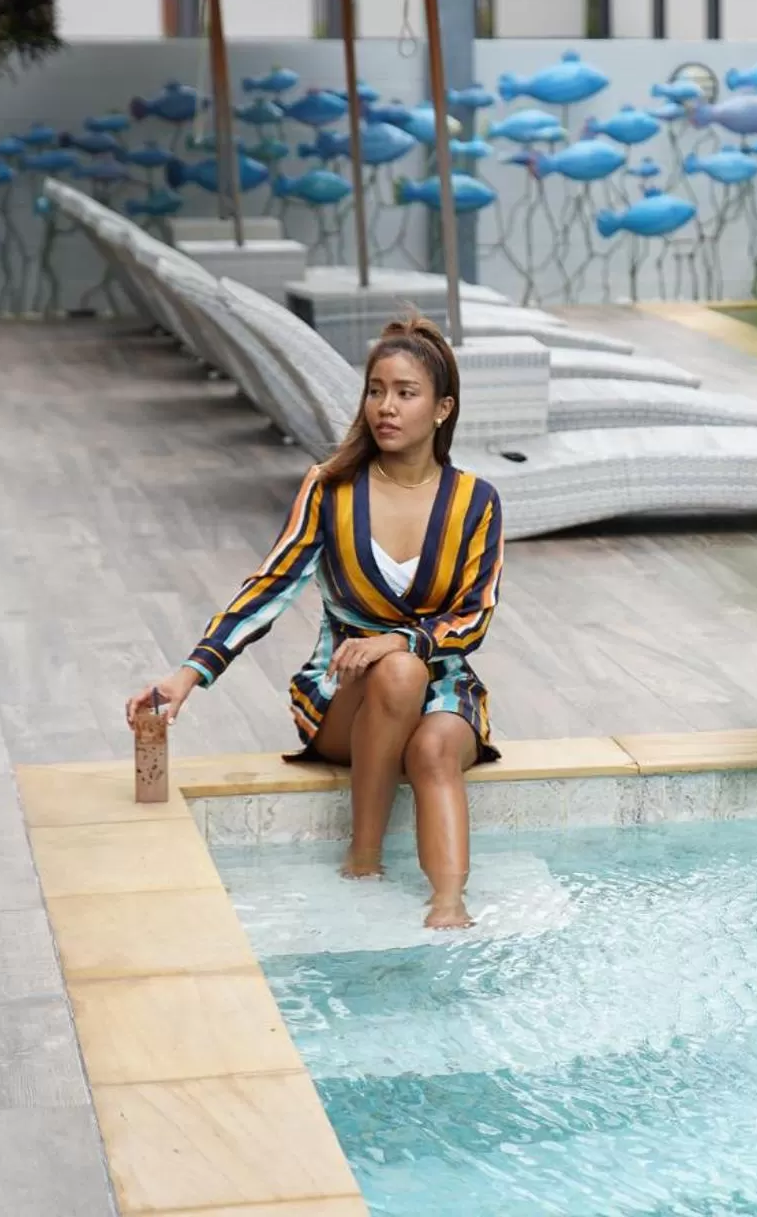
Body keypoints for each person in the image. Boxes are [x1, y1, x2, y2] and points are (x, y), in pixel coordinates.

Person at [127, 316, 503, 929]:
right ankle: (363, 858)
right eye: (376, 390)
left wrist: (396, 640)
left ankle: (449, 911)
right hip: (340, 697)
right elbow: (269, 587)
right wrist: (188, 674)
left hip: (444, 685)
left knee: (433, 744)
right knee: (399, 672)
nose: (385, 407)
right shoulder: (331, 489)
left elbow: (476, 616)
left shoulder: (475, 501)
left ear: (442, 409)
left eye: (406, 393)